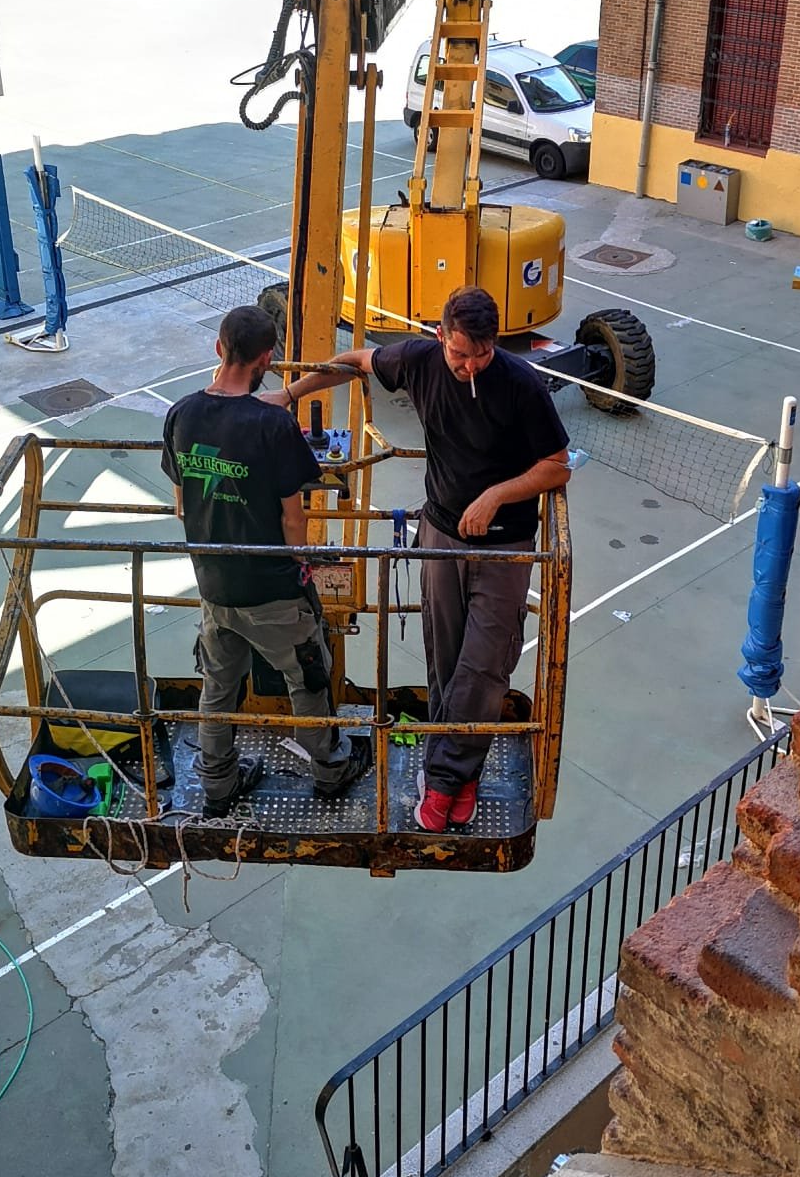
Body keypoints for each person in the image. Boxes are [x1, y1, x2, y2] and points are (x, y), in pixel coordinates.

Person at [268, 287, 570, 832]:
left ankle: (446, 778)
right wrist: (290, 396)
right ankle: (458, 767)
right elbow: (351, 363)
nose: (471, 365)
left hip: (504, 547)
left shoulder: (521, 385)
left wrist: (496, 495)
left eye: (482, 354)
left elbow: (556, 466)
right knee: (446, 658)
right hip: (440, 535)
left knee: (484, 665)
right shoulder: (416, 361)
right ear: (440, 338)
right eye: (460, 354)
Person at [162, 305, 368, 815]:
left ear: (218, 348)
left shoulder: (181, 413)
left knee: (218, 687)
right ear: (267, 359)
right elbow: (293, 519)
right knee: (308, 679)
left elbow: (181, 501)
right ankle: (329, 769)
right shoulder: (272, 424)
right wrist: (299, 564)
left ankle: (217, 781)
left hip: (213, 584)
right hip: (273, 589)